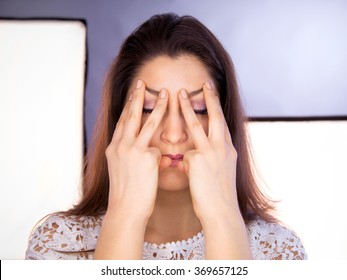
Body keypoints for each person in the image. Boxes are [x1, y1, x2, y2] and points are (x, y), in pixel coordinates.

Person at [25, 13, 307, 260]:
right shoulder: (58, 244)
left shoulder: (278, 251)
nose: (173, 134)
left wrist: (222, 216)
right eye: (149, 109)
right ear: (118, 119)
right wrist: (126, 215)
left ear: (225, 118)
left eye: (197, 110)